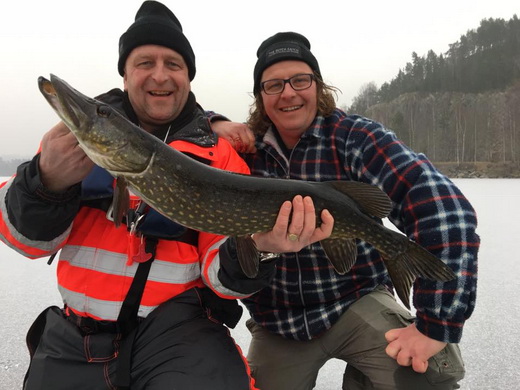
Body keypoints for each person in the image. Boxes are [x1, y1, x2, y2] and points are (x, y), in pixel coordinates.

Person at [0, 6, 334, 389]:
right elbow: (23, 240)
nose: (160, 74)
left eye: (173, 64)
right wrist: (46, 182)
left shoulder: (220, 156)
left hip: (179, 335)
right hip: (76, 336)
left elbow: (221, 277)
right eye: (145, 62)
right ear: (125, 74)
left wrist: (259, 248)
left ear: (188, 78)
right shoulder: (69, 143)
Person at [213, 31, 480, 390]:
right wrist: (211, 122)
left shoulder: (355, 137)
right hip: (278, 320)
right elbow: (175, 135)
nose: (288, 92)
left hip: (357, 299)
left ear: (318, 87)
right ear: (261, 97)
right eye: (273, 85)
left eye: (300, 80)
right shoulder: (243, 151)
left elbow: (446, 213)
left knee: (428, 375)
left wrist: (436, 325)